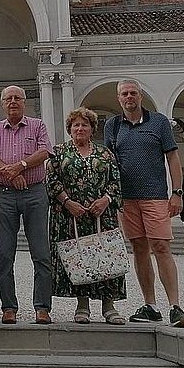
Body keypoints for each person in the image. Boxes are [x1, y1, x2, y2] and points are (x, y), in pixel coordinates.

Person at [103, 78, 184, 327]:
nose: (129, 97)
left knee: (161, 246)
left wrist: (178, 192)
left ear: (140, 96)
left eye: (133, 93)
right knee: (139, 248)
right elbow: (109, 161)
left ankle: (175, 306)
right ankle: (150, 305)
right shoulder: (112, 125)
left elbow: (173, 157)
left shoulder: (159, 122)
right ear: (118, 99)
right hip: (126, 198)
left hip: (155, 195)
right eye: (124, 94)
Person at [47, 107, 127, 325]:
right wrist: (68, 202)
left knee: (106, 256)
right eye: (76, 125)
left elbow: (115, 181)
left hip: (102, 214)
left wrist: (105, 201)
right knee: (79, 258)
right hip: (71, 216)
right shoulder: (59, 152)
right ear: (69, 129)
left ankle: (109, 306)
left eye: (84, 125)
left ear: (92, 129)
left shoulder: (105, 153)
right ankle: (82, 305)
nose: (80, 128)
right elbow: (52, 181)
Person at [0, 85, 54, 325]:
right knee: (4, 253)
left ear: (23, 102)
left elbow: (45, 151)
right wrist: (10, 172)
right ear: (2, 104)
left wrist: (21, 165)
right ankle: (8, 307)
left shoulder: (38, 125)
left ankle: (42, 307)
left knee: (41, 252)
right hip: (5, 194)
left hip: (35, 193)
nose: (12, 101)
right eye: (8, 98)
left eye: (17, 98)